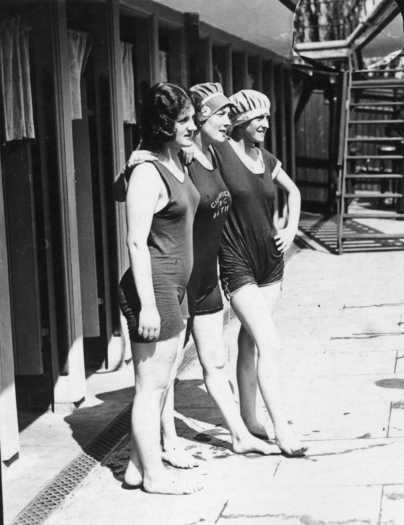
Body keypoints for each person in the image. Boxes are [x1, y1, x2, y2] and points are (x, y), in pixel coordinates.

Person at [157, 83, 280, 462]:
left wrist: (280, 227)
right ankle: (167, 440)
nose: (228, 120)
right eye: (221, 114)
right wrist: (140, 158)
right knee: (166, 367)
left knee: (215, 361)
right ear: (201, 118)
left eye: (229, 113)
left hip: (207, 275)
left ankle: (240, 435)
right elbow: (133, 182)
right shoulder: (185, 156)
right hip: (177, 276)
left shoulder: (215, 155)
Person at [212, 89, 307, 457]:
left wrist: (289, 229)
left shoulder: (265, 158)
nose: (265, 124)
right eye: (258, 119)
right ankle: (282, 428)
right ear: (239, 121)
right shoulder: (219, 153)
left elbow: (293, 193)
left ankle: (250, 418)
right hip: (236, 260)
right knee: (269, 342)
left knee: (250, 340)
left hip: (271, 260)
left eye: (267, 118)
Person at [118, 82, 201, 494]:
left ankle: (136, 465)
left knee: (158, 383)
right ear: (164, 125)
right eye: (184, 120)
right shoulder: (148, 171)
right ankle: (154, 475)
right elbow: (136, 241)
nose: (193, 126)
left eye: (192, 117)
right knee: (151, 388)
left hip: (174, 285)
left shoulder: (173, 161)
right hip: (156, 288)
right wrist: (148, 306)